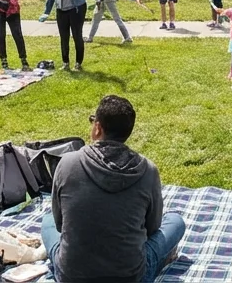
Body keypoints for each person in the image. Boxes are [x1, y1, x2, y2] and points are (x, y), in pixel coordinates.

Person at [42, 95, 185, 283]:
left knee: (47, 221)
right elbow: (153, 227)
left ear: (97, 127)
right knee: (175, 221)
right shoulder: (148, 171)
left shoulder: (67, 163)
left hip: (71, 276)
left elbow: (60, 224)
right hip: (131, 276)